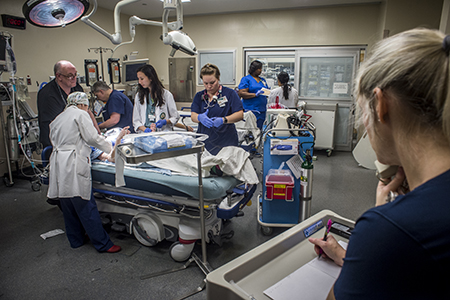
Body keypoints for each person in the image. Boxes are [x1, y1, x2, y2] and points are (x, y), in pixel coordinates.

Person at [308, 28, 450, 299]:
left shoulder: (390, 230)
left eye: (363, 111)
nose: (365, 124)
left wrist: (382, 227)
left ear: (381, 105)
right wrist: (358, 258)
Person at [48, 92, 121, 253]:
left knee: (68, 205)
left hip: (59, 161)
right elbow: (93, 138)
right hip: (74, 162)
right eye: (87, 107)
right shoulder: (80, 114)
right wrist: (112, 147)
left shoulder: (57, 119)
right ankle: (103, 244)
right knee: (85, 205)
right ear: (82, 104)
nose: (88, 110)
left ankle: (76, 239)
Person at [191, 63, 244, 155]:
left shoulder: (230, 94)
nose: (209, 86)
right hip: (205, 140)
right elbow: (193, 115)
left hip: (226, 140)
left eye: (212, 82)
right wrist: (199, 117)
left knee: (226, 167)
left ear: (218, 78)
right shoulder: (199, 96)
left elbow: (240, 114)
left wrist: (224, 120)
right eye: (205, 83)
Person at [37, 60, 85, 148]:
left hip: (75, 139)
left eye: (75, 75)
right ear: (58, 76)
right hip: (56, 142)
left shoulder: (77, 89)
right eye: (70, 75)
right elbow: (58, 123)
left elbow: (87, 112)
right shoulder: (48, 94)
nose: (74, 78)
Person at [133, 64, 179, 133]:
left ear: (150, 78)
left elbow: (175, 117)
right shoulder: (139, 96)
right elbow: (136, 120)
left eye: (142, 79)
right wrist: (145, 129)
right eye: (138, 79)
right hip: (144, 134)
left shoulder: (166, 95)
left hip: (163, 133)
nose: (139, 82)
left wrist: (165, 122)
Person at [238, 60, 269, 129]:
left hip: (261, 110)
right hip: (250, 110)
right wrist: (255, 95)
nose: (261, 70)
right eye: (259, 69)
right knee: (250, 131)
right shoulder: (246, 79)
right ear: (254, 69)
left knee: (260, 130)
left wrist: (268, 92)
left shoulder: (262, 80)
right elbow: (241, 93)